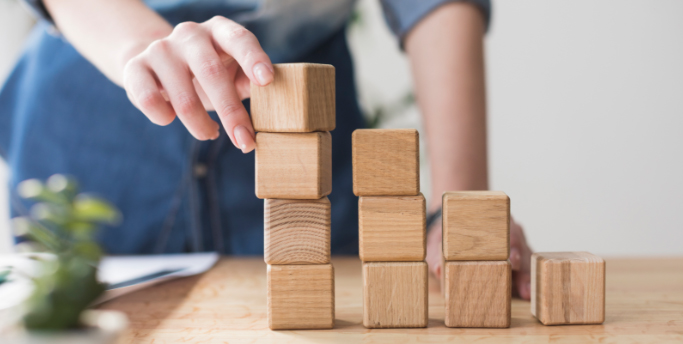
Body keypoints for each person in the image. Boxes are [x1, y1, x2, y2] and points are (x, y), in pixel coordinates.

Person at [0, 0, 532, 299]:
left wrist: (456, 206)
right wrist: (140, 49)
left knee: (315, 305)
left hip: (300, 108)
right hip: (101, 109)